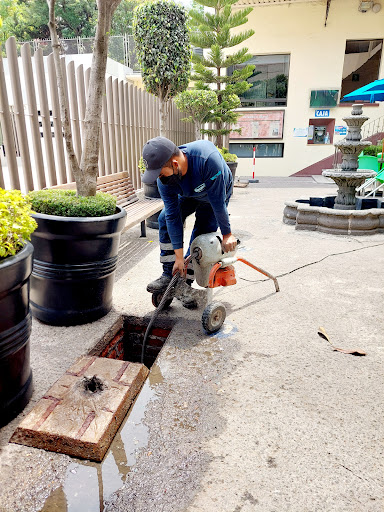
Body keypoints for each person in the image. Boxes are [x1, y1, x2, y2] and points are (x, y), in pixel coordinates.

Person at [141, 136, 237, 308]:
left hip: (214, 195)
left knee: (201, 235)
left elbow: (218, 204)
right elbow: (172, 216)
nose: (159, 178)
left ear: (175, 164)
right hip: (189, 194)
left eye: (161, 173)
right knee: (164, 219)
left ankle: (187, 283)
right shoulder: (165, 180)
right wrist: (178, 258)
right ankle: (170, 275)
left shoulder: (207, 161)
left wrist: (227, 234)